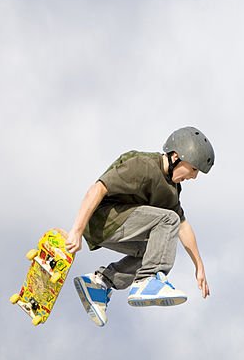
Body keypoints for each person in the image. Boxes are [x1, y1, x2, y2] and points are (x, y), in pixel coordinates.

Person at [65, 126, 214, 327]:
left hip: (116, 227)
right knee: (168, 220)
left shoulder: (172, 190)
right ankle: (147, 281)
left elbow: (183, 226)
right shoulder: (141, 165)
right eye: (194, 169)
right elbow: (97, 188)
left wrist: (199, 266)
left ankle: (100, 283)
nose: (194, 177)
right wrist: (76, 230)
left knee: (155, 248)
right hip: (101, 217)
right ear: (177, 156)